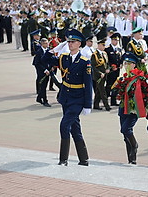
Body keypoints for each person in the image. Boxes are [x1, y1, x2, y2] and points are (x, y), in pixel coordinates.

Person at [42, 28, 93, 166]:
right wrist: (54, 49)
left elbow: (88, 85)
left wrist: (88, 104)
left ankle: (63, 159)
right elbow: (44, 59)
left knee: (64, 125)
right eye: (68, 41)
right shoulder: (64, 58)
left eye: (73, 42)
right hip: (65, 97)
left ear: (79, 44)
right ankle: (84, 159)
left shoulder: (84, 62)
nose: (69, 44)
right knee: (75, 128)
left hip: (78, 99)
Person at [115, 52, 140, 164]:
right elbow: (114, 90)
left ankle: (134, 145)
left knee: (125, 129)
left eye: (129, 63)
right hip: (123, 108)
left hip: (133, 110)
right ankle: (131, 160)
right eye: (125, 63)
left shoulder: (139, 77)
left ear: (134, 65)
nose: (127, 66)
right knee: (125, 135)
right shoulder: (122, 78)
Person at [91, 38, 111, 111]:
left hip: (104, 74)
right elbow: (93, 66)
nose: (104, 47)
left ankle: (96, 105)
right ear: (99, 45)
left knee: (98, 90)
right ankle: (107, 106)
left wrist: (108, 68)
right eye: (102, 45)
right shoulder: (94, 55)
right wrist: (100, 73)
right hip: (98, 76)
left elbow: (107, 63)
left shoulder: (104, 53)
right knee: (102, 91)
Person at [105, 32, 122, 106]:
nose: (116, 42)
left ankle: (113, 101)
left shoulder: (119, 49)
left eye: (117, 41)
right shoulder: (108, 49)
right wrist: (111, 66)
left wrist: (120, 64)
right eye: (115, 40)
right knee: (109, 85)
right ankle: (105, 98)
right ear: (112, 40)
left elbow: (120, 58)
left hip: (117, 70)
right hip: (111, 70)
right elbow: (106, 60)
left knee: (115, 85)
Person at [33, 38, 51, 107]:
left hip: (48, 71)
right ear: (42, 44)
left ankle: (39, 98)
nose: (47, 44)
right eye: (45, 43)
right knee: (43, 86)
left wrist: (51, 67)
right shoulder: (39, 52)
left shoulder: (48, 51)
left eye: (47, 43)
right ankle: (45, 101)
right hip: (41, 71)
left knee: (45, 85)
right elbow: (37, 63)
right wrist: (44, 70)